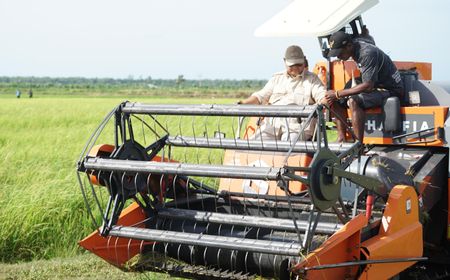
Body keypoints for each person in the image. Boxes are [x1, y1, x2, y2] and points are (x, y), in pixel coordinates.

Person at [324, 31, 403, 142]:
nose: (338, 56)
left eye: (340, 53)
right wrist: (337, 96)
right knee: (336, 99)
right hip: (375, 81)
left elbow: (368, 86)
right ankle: (341, 137)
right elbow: (367, 38)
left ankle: (358, 145)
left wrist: (337, 93)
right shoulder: (355, 44)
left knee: (354, 100)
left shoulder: (366, 53)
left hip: (390, 88)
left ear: (349, 46)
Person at [237, 45, 327, 141]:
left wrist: (321, 104)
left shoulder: (312, 80)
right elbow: (260, 97)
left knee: (286, 149)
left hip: (297, 129)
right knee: (251, 146)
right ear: (284, 62)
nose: (295, 68)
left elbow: (323, 97)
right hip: (272, 127)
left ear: (304, 60)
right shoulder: (277, 78)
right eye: (292, 65)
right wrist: (242, 104)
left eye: (299, 65)